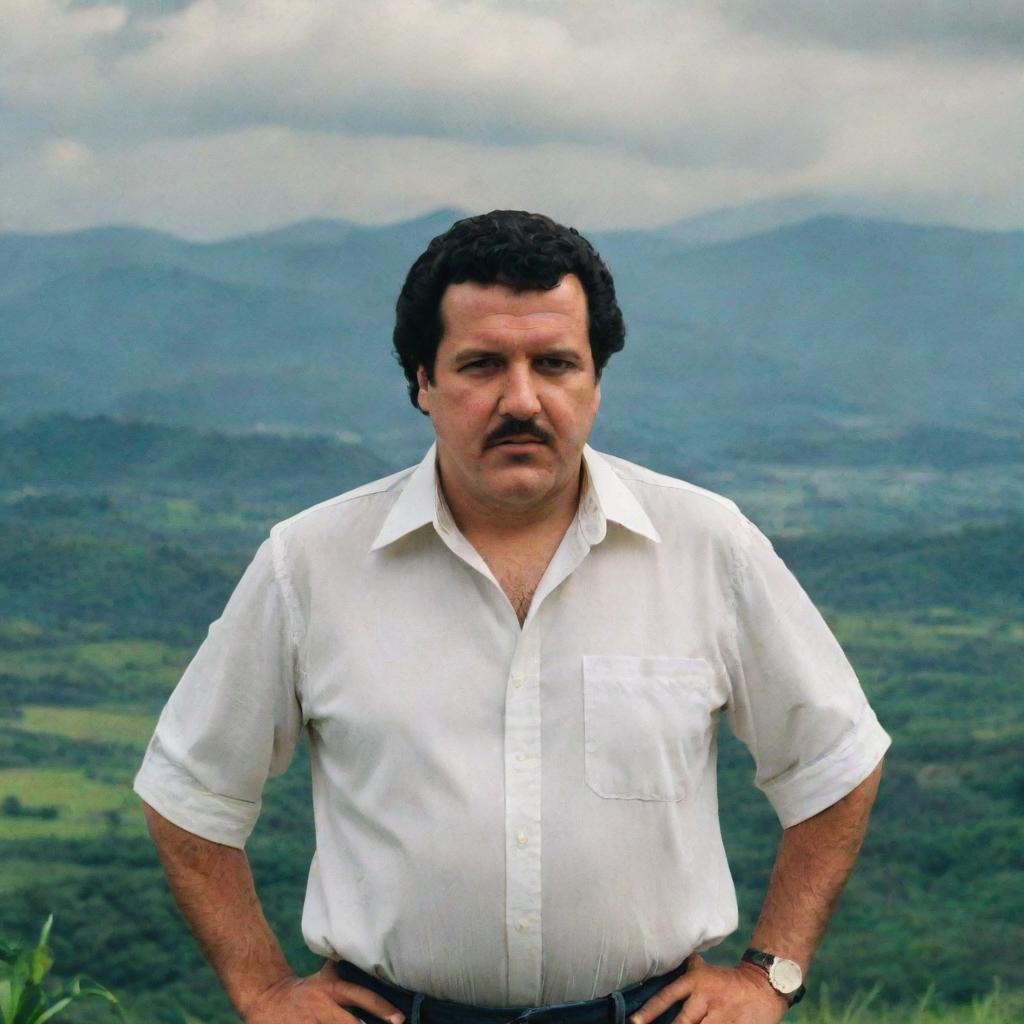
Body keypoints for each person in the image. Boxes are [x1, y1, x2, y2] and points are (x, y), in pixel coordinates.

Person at [134, 210, 890, 1024]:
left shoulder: (709, 547)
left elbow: (836, 759)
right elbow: (190, 789)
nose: (521, 398)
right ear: (421, 380)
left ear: (597, 380)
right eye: (482, 364)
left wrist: (769, 973)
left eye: (556, 364)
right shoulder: (310, 562)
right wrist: (263, 989)